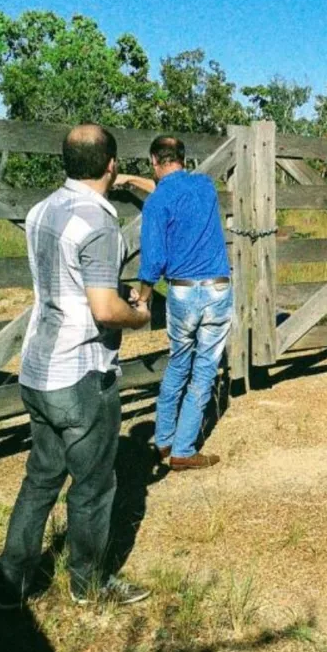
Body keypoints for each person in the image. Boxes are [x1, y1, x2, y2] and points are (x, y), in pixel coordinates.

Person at [0, 124, 152, 608]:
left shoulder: (43, 210)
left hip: (38, 368)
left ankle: (9, 582)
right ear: (112, 166)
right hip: (81, 372)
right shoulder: (99, 222)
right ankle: (89, 584)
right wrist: (140, 317)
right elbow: (104, 309)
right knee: (94, 485)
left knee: (41, 477)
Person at [134, 136, 232, 471]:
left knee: (179, 363)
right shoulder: (204, 185)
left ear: (153, 160)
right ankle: (184, 448)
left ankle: (164, 441)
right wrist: (137, 181)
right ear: (184, 159)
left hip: (183, 291)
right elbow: (175, 187)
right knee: (205, 369)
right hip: (217, 288)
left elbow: (152, 262)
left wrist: (143, 298)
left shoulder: (157, 203)